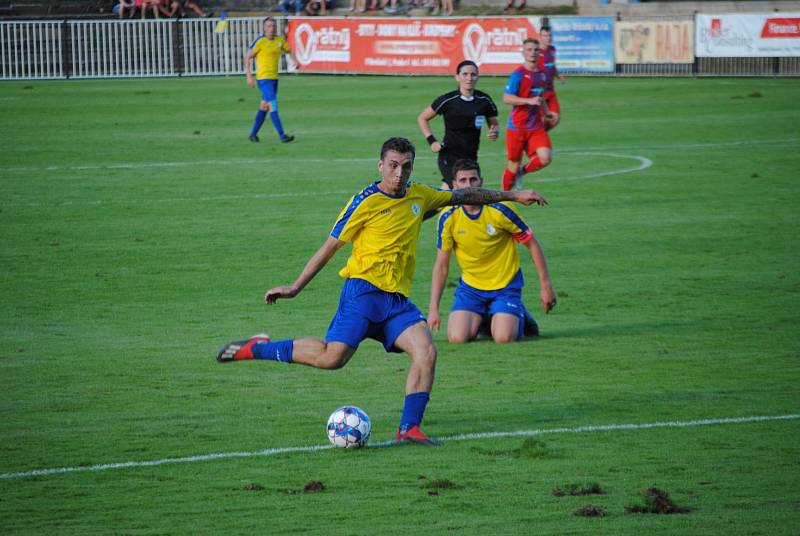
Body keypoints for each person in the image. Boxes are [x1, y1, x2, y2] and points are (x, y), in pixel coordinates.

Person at [216, 137, 548, 446]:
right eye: (392, 165)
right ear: (380, 165)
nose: (399, 172)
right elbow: (330, 246)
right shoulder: (365, 201)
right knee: (332, 359)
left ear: (412, 167)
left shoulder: (421, 195)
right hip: (362, 293)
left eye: (405, 166)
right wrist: (295, 287)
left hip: (395, 301)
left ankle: (409, 429)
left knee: (426, 351)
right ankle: (256, 348)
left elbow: (464, 196)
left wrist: (515, 195)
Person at [428, 159, 556, 344]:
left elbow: (532, 244)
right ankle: (489, 316)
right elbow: (441, 266)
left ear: (482, 181)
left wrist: (546, 287)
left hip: (505, 286)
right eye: (462, 181)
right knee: (457, 338)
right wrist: (433, 309)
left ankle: (518, 314)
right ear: (453, 185)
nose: (468, 185)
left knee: (503, 338)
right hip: (471, 289)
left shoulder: (500, 210)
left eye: (473, 179)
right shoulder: (447, 217)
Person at [417, 60, 499, 189]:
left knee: (451, 194)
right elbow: (422, 118)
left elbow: (493, 122)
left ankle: (434, 209)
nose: (469, 78)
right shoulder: (447, 100)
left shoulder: (484, 100)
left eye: (473, 74)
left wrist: (494, 131)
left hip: (471, 157)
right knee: (461, 191)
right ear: (457, 77)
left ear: (478, 76)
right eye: (465, 74)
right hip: (449, 155)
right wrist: (432, 141)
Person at [501, 38, 555, 191]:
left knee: (545, 157)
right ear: (523, 53)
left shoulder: (543, 74)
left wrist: (546, 112)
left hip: (535, 126)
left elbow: (540, 97)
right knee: (512, 164)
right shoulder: (518, 74)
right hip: (517, 126)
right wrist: (528, 101)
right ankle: (502, 198)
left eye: (536, 50)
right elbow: (506, 98)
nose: (533, 53)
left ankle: (521, 173)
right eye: (529, 50)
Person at [244, 18, 297, 144]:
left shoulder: (280, 41)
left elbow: (289, 50)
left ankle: (252, 134)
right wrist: (249, 76)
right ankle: (282, 135)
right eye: (269, 26)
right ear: (264, 28)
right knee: (273, 106)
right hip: (263, 79)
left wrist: (295, 60)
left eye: (273, 26)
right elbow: (247, 58)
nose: (271, 28)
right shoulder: (260, 41)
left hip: (274, 79)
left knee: (264, 107)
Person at [538, 26, 565, 131]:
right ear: (540, 37)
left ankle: (539, 135)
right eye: (545, 35)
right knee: (542, 119)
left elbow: (552, 66)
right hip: (540, 93)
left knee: (555, 118)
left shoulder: (552, 50)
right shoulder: (536, 53)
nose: (548, 38)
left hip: (551, 91)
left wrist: (558, 76)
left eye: (550, 35)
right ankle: (538, 137)